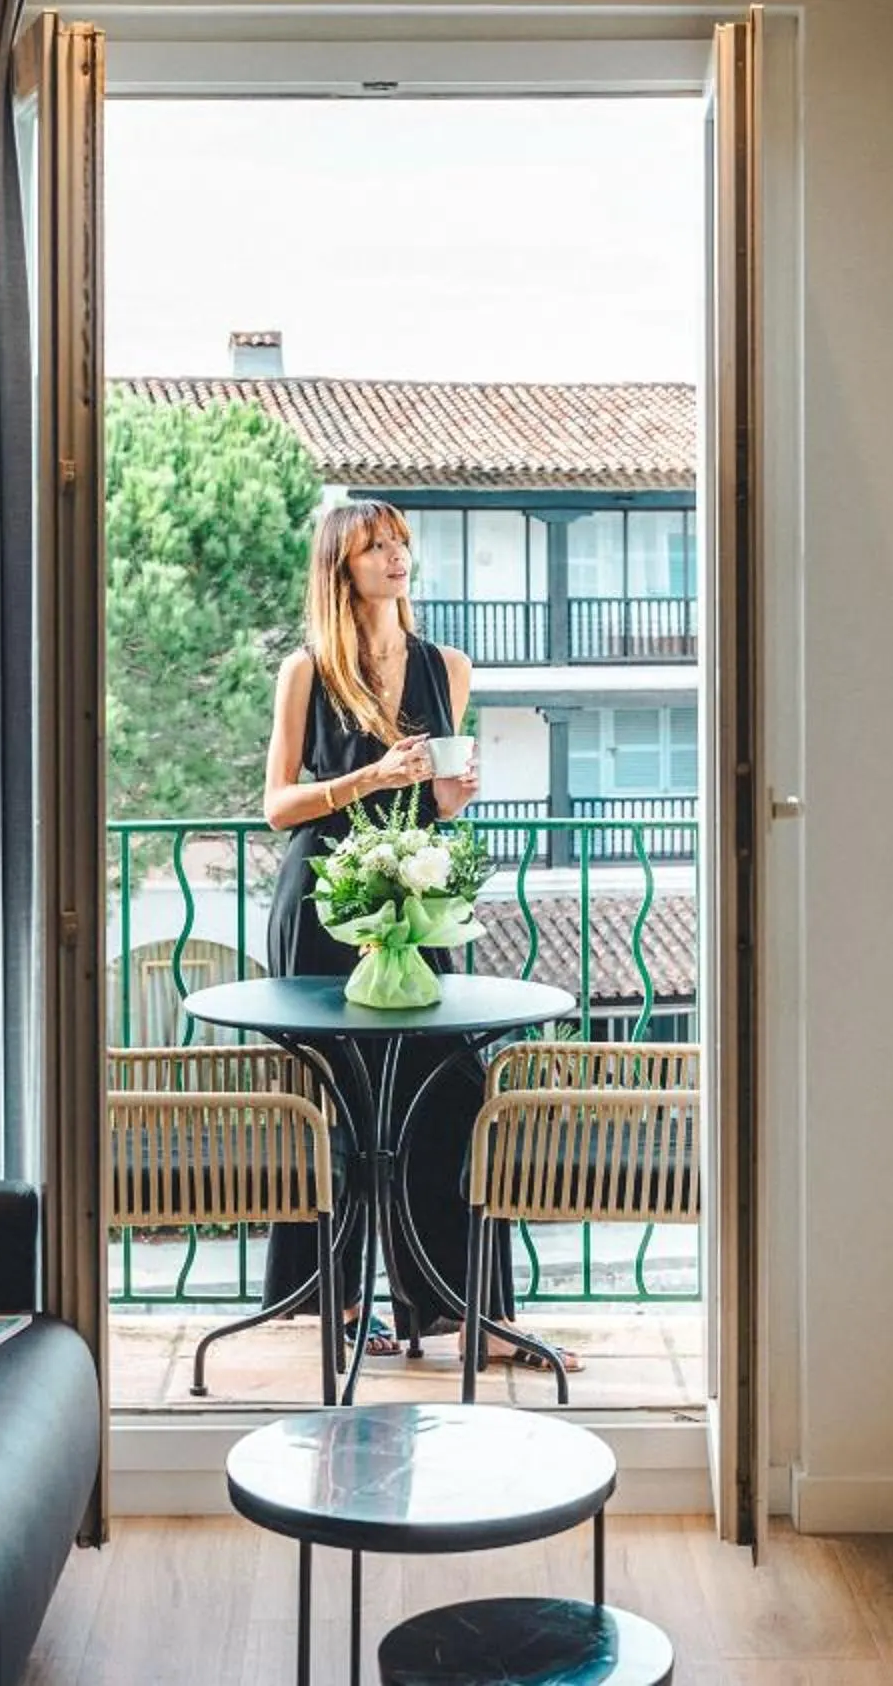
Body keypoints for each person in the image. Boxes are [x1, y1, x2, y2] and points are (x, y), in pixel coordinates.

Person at [256, 499, 577, 1374]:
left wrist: (447, 801)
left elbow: (433, 801)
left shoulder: (449, 667)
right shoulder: (307, 671)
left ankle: (461, 1312)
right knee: (332, 1105)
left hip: (414, 901)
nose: (395, 558)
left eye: (400, 543)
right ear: (342, 569)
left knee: (448, 1093)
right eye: (374, 548)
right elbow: (279, 805)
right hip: (323, 897)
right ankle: (338, 1306)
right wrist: (369, 776)